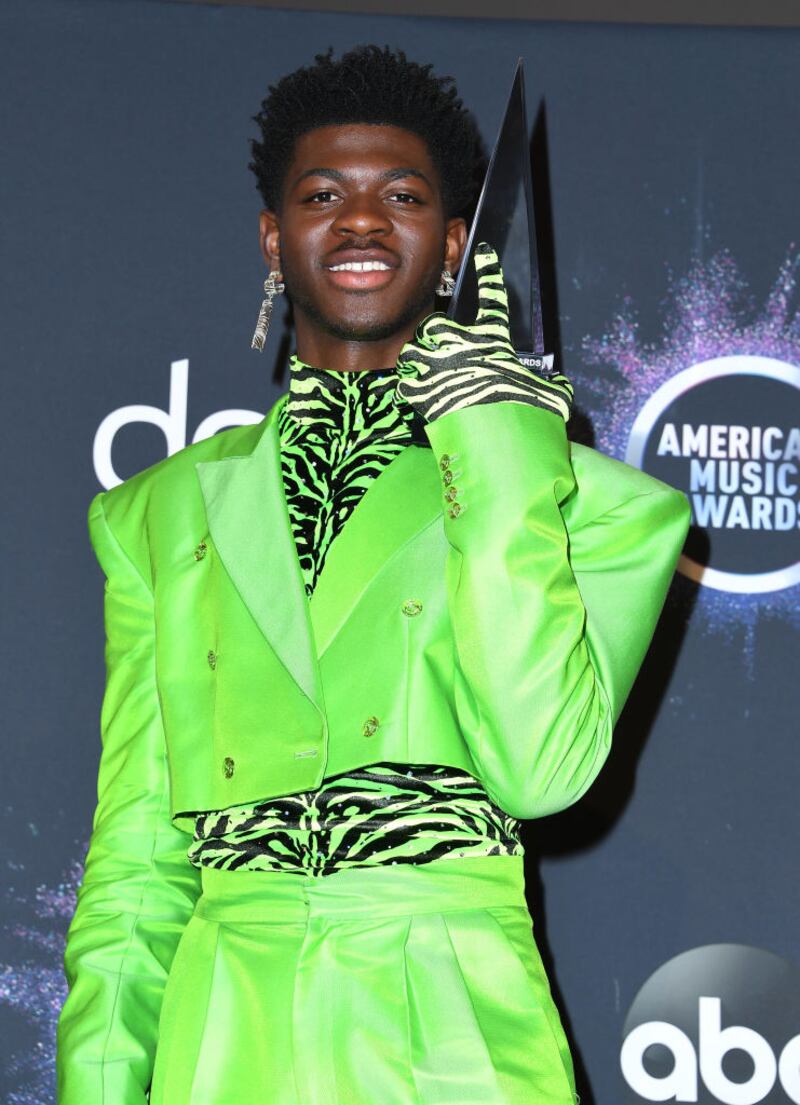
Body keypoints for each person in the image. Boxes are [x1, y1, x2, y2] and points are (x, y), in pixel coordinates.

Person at [56, 45, 690, 1105]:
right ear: (272, 236)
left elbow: (540, 771)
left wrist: (495, 448)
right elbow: (133, 866)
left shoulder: (600, 505)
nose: (357, 222)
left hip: (450, 1032)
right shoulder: (155, 516)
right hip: (223, 1036)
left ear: (453, 244)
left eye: (399, 195)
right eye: (320, 194)